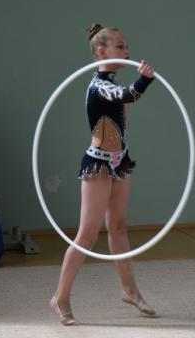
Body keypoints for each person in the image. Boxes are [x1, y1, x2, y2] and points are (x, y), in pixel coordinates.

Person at [50, 23, 156, 326]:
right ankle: (60, 297)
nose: (127, 51)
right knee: (86, 235)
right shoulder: (99, 85)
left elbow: (123, 99)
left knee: (119, 227)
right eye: (120, 46)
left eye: (126, 46)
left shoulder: (109, 84)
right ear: (101, 52)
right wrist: (144, 80)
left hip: (120, 161)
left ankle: (129, 290)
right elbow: (127, 94)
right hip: (98, 164)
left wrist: (141, 82)